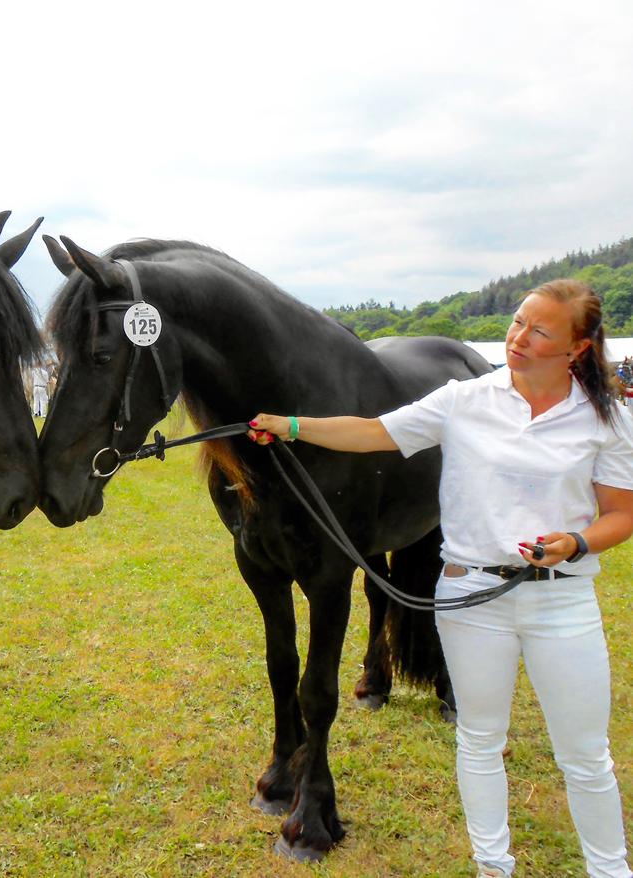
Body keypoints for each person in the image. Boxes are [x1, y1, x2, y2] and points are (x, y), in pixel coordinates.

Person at [249, 279, 633, 878]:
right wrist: (291, 425)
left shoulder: (604, 418)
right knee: (479, 742)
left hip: (563, 602)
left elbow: (621, 515)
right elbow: (374, 431)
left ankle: (610, 870)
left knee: (586, 757)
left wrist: (575, 542)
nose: (519, 338)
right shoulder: (465, 398)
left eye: (540, 331)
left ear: (578, 348)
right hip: (470, 597)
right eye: (517, 321)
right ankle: (492, 866)